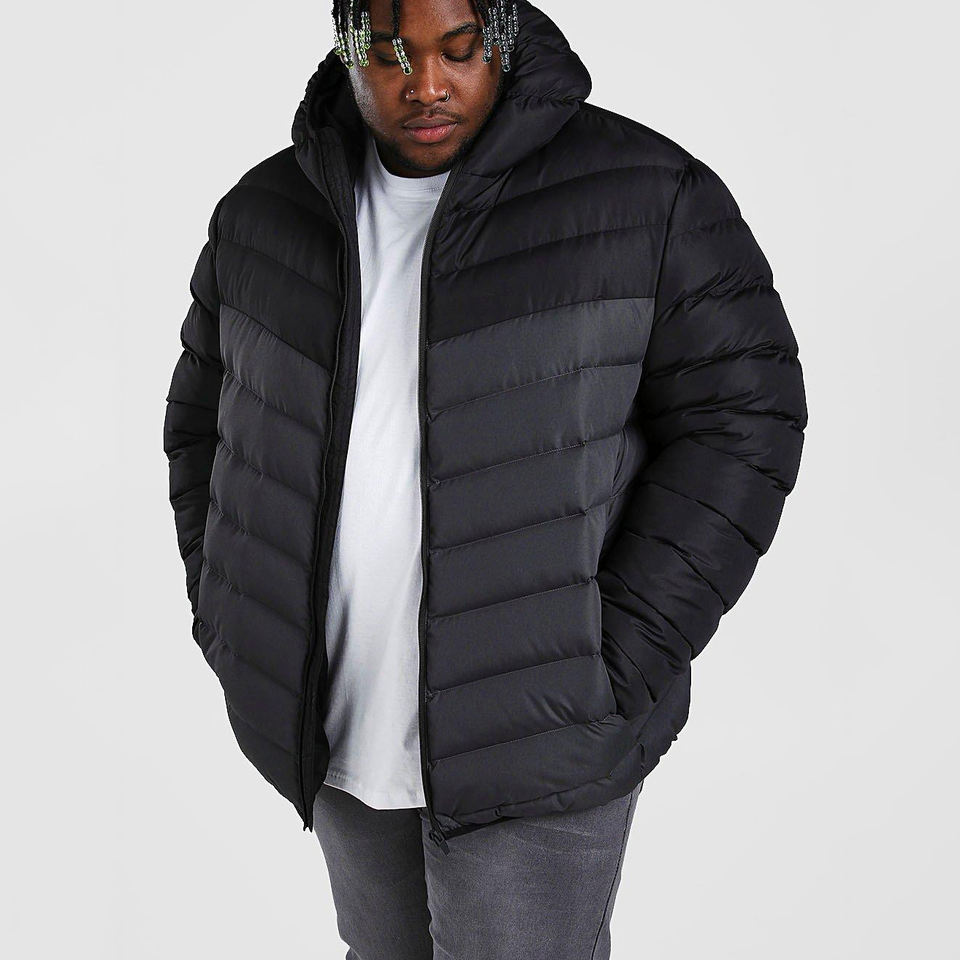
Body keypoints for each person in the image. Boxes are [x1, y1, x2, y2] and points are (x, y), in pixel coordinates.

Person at [162, 0, 808, 956]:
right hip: (337, 722)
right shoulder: (263, 215)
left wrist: (613, 657)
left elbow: (744, 421)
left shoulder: (647, 195)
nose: (426, 85)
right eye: (391, 55)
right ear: (348, 48)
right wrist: (234, 613)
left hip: (541, 734)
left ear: (501, 35)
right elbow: (203, 429)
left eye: (458, 50)